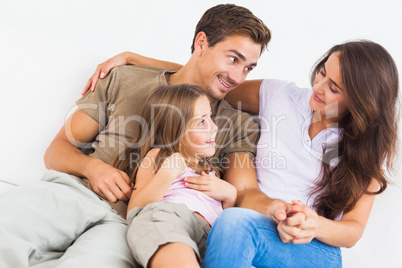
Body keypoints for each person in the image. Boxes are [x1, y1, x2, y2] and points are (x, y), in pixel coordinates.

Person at [0, 4, 271, 267]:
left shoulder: (236, 123)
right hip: (76, 194)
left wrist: (282, 211)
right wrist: (91, 167)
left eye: (248, 68)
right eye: (233, 59)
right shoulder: (126, 78)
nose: (238, 77)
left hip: (132, 227)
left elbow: (246, 191)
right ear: (201, 43)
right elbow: (56, 150)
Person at [89, 40, 399, 267]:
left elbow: (353, 231)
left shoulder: (364, 149)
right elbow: (205, 82)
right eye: (321, 72)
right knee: (233, 221)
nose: (318, 86)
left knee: (233, 222)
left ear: (360, 102)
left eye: (334, 88)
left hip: (311, 248)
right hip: (254, 222)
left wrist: (314, 224)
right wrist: (134, 57)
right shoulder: (281, 95)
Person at [114, 84, 236, 267]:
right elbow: (137, 208)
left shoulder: (209, 168)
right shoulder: (159, 156)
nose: (214, 127)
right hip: (172, 219)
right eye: (202, 121)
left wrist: (230, 194)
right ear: (175, 130)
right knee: (162, 231)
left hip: (210, 236)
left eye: (210, 117)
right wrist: (166, 174)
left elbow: (223, 215)